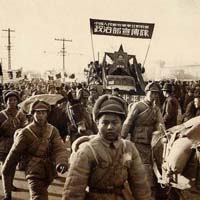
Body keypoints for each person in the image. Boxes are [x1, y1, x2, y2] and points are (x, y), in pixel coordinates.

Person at [62, 94, 151, 200]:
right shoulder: (87, 151)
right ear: (97, 123)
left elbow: (140, 184)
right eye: (105, 122)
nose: (110, 127)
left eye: (115, 123)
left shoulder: (128, 148)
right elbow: (73, 191)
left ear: (122, 123)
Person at [1, 100, 68, 200]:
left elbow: (59, 148)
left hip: (49, 170)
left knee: (40, 194)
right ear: (32, 114)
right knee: (39, 196)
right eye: (37, 112)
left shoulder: (52, 130)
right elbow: (14, 154)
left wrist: (62, 162)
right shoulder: (26, 133)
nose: (40, 115)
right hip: (33, 170)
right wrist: (7, 191)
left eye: (43, 112)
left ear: (47, 114)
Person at [121, 82, 164, 200]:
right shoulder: (138, 106)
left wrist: (162, 135)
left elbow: (160, 124)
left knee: (150, 166)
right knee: (130, 164)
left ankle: (150, 190)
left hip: (151, 143)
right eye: (152, 93)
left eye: (156, 94)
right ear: (146, 92)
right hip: (137, 142)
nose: (154, 96)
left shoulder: (156, 109)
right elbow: (128, 122)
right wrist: (122, 138)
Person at [0, 91, 27, 191]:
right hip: (3, 145)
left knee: (13, 166)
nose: (12, 102)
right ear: (6, 102)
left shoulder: (20, 115)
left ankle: (10, 184)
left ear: (17, 101)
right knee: (5, 168)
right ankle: (7, 191)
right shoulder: (1, 115)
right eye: (10, 100)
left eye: (14, 100)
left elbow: (25, 128)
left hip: (16, 144)